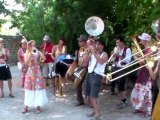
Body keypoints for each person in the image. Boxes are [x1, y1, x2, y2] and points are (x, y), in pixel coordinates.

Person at [22, 40, 48, 114]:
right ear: (28, 46)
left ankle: (38, 106)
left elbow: (44, 59)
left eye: (34, 45)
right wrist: (30, 54)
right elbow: (26, 63)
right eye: (31, 45)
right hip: (30, 72)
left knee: (38, 89)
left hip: (37, 72)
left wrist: (38, 52)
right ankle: (26, 106)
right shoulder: (26, 53)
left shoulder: (36, 52)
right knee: (28, 89)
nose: (33, 47)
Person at [85, 37, 108, 120]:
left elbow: (101, 61)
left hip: (97, 75)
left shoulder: (104, 54)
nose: (96, 45)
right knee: (89, 95)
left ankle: (97, 114)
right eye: (96, 44)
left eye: (98, 44)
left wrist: (93, 52)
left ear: (102, 45)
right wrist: (87, 53)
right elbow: (85, 62)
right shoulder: (93, 53)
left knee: (93, 96)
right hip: (90, 74)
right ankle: (94, 111)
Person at [130, 33, 152, 117]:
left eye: (141, 39)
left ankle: (148, 111)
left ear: (145, 40)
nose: (139, 41)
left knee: (146, 92)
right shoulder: (145, 49)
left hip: (147, 73)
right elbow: (142, 62)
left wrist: (135, 57)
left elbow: (143, 62)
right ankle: (139, 107)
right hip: (143, 72)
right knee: (139, 90)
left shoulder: (149, 49)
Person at [111, 35, 132, 109]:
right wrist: (113, 55)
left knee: (121, 86)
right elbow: (113, 60)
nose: (117, 44)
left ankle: (124, 101)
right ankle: (122, 101)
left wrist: (119, 55)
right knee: (118, 86)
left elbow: (127, 60)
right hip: (115, 68)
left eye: (118, 42)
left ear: (122, 42)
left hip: (122, 69)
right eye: (116, 43)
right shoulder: (116, 48)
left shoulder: (127, 49)